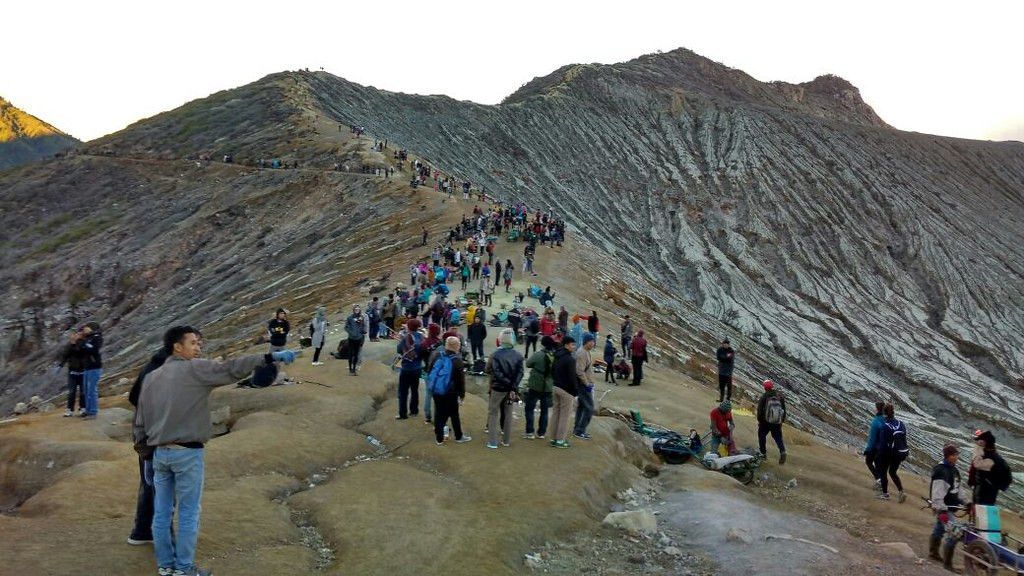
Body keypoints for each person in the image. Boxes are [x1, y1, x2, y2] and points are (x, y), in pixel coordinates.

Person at [134, 326, 297, 576]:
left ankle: (166, 566)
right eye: (193, 343)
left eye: (199, 343)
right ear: (177, 347)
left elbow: (141, 420)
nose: (198, 348)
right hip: (187, 453)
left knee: (162, 511)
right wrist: (269, 357)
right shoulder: (195, 369)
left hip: (159, 454)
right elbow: (230, 368)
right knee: (188, 512)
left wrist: (145, 452)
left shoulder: (152, 377)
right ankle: (185, 569)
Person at [126, 347, 170, 547]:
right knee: (162, 488)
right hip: (156, 437)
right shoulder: (163, 371)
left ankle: (142, 531)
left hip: (146, 437)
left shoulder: (153, 366)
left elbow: (133, 396)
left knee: (149, 484)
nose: (197, 348)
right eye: (194, 343)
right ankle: (167, 543)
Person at [426, 336, 471, 445]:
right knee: (454, 414)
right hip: (450, 392)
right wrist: (462, 394)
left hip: (437, 390)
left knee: (438, 412)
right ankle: (459, 436)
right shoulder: (457, 360)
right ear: (457, 346)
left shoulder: (437, 355)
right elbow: (460, 380)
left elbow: (430, 370)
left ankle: (439, 438)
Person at [485, 329, 524, 449]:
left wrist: (507, 384)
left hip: (498, 389)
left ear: (501, 339)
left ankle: (492, 442)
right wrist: (513, 386)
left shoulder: (496, 354)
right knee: (508, 413)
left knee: (493, 413)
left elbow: (495, 372)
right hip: (511, 390)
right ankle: (506, 441)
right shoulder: (518, 355)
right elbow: (520, 373)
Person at [929, 444, 966, 568]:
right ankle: (947, 564)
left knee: (939, 529)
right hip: (945, 509)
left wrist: (966, 502)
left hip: (950, 507)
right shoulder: (941, 471)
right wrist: (942, 510)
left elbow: (957, 488)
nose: (956, 457)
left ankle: (933, 552)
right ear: (947, 456)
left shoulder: (954, 470)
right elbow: (937, 493)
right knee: (954, 534)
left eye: (956, 455)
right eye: (954, 455)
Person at [523, 336, 555, 439]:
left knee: (529, 408)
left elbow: (528, 364)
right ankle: (541, 433)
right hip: (548, 386)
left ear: (543, 344)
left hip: (535, 384)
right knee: (544, 410)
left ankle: (530, 432)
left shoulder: (538, 355)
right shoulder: (554, 356)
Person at [968, 430, 1012, 506]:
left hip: (984, 491)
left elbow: (976, 464)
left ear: (984, 443)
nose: (977, 443)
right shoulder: (996, 456)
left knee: (981, 513)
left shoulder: (990, 459)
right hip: (991, 491)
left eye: (979, 441)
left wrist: (977, 448)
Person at [875, 403, 908, 501]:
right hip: (901, 452)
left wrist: (878, 454)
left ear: (884, 413)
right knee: (893, 472)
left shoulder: (885, 426)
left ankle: (885, 494)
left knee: (883, 472)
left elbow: (883, 443)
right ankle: (901, 491)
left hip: (889, 453)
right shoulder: (900, 423)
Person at [550, 336, 579, 448]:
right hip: (566, 391)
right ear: (566, 345)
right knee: (565, 416)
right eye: (572, 344)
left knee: (556, 413)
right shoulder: (570, 359)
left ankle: (553, 438)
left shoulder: (557, 355)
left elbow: (552, 370)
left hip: (556, 387)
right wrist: (575, 392)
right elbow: (572, 378)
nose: (574, 347)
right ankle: (560, 440)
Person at [395, 319, 424, 419]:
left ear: (409, 327)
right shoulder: (421, 337)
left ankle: (403, 414)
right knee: (414, 390)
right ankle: (414, 411)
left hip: (407, 368)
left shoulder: (405, 338)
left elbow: (399, 350)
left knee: (403, 392)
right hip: (418, 368)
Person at [756, 380, 787, 464]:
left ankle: (763, 453)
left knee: (761, 435)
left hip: (765, 422)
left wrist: (760, 420)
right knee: (778, 437)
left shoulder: (764, 396)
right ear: (772, 386)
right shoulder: (779, 397)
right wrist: (781, 421)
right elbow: (783, 410)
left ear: (764, 387)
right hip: (777, 422)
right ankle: (782, 451)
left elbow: (760, 410)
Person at [58, 328, 88, 417]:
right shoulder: (70, 344)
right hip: (72, 372)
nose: (77, 336)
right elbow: (65, 355)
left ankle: (82, 408)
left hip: (82, 371)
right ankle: (69, 409)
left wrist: (74, 344)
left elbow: (79, 352)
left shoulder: (84, 343)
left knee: (83, 392)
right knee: (71, 392)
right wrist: (61, 365)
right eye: (76, 334)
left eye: (79, 334)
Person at [572, 333, 596, 440]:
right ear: (586, 342)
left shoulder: (586, 352)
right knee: (589, 408)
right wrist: (587, 384)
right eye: (591, 341)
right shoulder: (582, 353)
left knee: (581, 407)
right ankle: (580, 430)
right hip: (583, 385)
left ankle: (577, 429)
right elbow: (579, 371)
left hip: (585, 384)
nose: (593, 343)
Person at [420, 324, 443, 424]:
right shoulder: (440, 344)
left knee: (428, 394)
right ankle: (438, 416)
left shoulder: (424, 343)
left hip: (427, 371)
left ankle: (427, 416)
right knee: (438, 396)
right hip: (437, 372)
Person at [81, 322, 103, 419]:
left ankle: (93, 412)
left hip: (94, 367)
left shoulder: (97, 337)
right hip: (87, 367)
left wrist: (85, 346)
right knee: (86, 390)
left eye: (86, 328)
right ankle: (88, 410)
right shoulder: (86, 338)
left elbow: (94, 350)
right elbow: (81, 350)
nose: (84, 330)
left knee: (92, 390)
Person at [863, 401, 886, 490]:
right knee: (877, 464)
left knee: (868, 462)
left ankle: (879, 480)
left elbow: (872, 438)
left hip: (875, 447)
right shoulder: (884, 420)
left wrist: (868, 449)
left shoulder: (876, 422)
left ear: (877, 409)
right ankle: (881, 483)